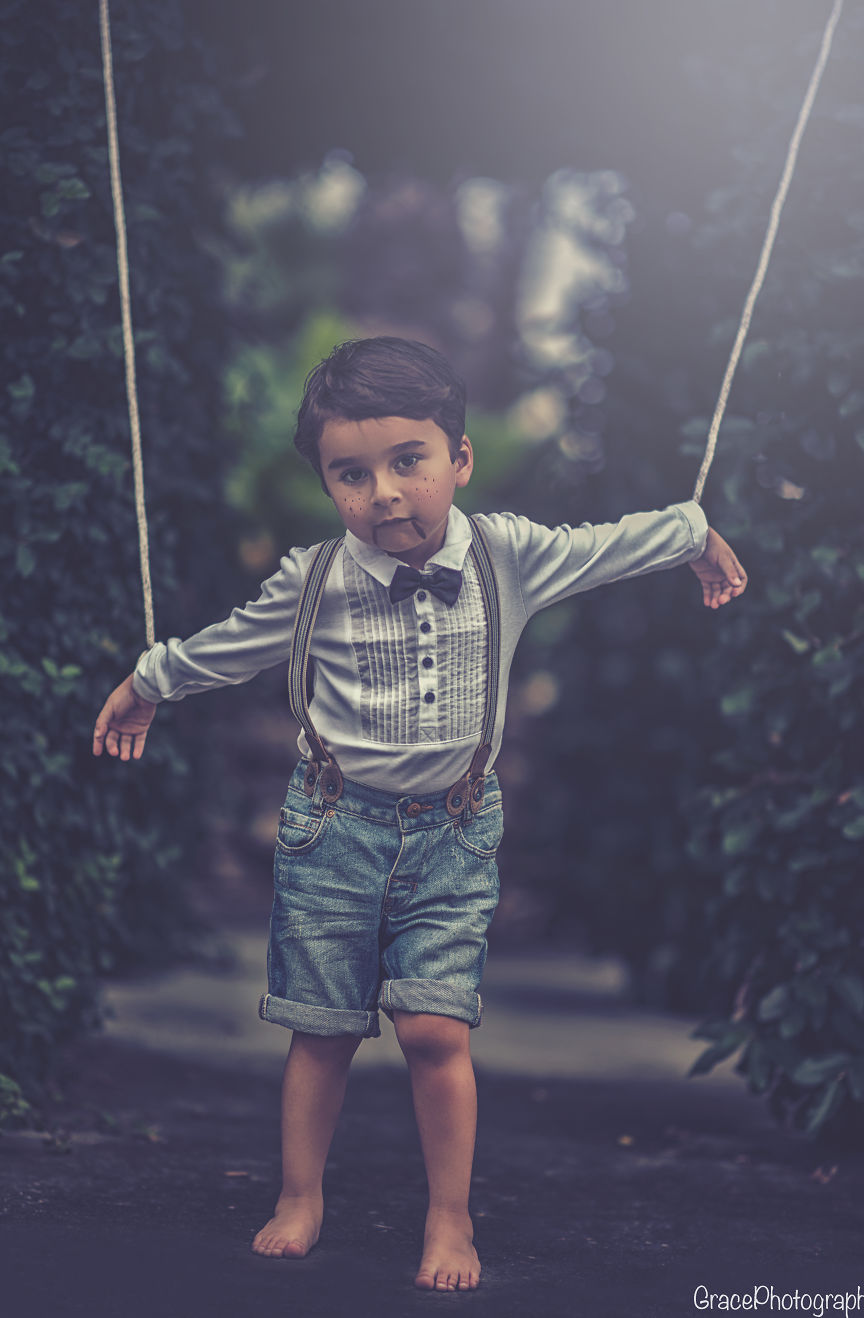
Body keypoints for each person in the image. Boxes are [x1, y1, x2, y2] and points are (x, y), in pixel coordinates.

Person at [92, 336, 747, 1292]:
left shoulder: (507, 555)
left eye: (410, 461)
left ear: (460, 458)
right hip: (332, 830)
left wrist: (692, 534)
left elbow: (605, 547)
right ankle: (300, 1195)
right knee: (321, 1027)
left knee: (437, 1030)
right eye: (352, 474)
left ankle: (451, 1215)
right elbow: (229, 645)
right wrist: (150, 682)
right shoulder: (315, 578)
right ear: (327, 483)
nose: (385, 493)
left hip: (453, 832)